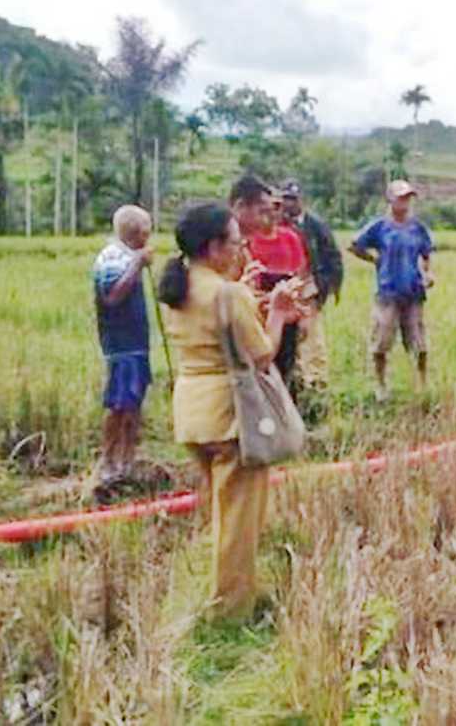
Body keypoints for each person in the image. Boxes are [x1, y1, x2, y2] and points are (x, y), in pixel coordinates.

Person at [157, 202, 301, 620]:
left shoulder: (178, 285)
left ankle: (226, 593)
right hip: (232, 415)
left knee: (222, 511)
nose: (242, 249)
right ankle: (232, 611)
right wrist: (276, 312)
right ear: (215, 246)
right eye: (237, 242)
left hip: (192, 411)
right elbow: (261, 355)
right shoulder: (228, 293)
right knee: (240, 523)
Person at [90, 204, 154, 499]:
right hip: (121, 346)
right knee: (119, 404)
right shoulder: (113, 258)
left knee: (134, 402)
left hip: (136, 344)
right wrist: (138, 265)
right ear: (136, 233)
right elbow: (112, 297)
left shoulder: (127, 256)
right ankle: (108, 461)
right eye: (147, 231)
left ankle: (127, 459)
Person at [350, 179, 435, 401]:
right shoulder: (379, 226)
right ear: (390, 199)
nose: (405, 203)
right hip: (388, 291)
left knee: (419, 343)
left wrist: (427, 273)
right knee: (382, 340)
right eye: (401, 198)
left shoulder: (417, 227)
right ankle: (381, 385)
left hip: (414, 290)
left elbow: (426, 253)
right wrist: (374, 259)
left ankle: (421, 383)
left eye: (408, 198)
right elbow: (355, 245)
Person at [231, 176, 308, 385]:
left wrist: (271, 303)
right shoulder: (227, 251)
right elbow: (226, 300)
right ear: (240, 207)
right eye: (262, 212)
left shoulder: (242, 247)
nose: (268, 219)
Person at [281, 179, 343, 392]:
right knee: (287, 338)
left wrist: (329, 286)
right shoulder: (277, 225)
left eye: (293, 199)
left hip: (308, 287)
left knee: (312, 338)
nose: (289, 204)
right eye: (286, 198)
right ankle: (293, 381)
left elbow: (332, 256)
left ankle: (316, 383)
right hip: (284, 289)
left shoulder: (315, 225)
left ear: (302, 201)